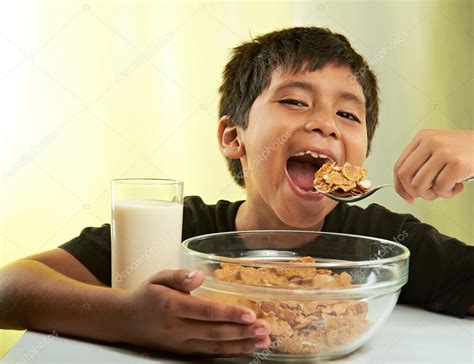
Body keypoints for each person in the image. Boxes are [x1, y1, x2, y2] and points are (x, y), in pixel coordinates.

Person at [1, 27, 473, 357]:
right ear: (234, 137)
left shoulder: (386, 245)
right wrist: (126, 317)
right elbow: (8, 290)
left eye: (349, 116)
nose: (325, 124)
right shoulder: (178, 231)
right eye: (294, 101)